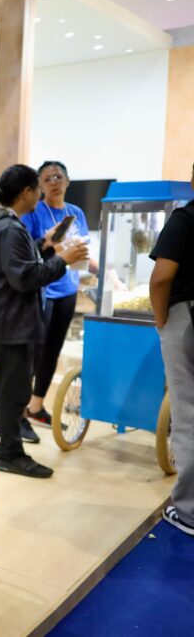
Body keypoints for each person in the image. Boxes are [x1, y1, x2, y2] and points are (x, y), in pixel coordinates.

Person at [0, 165, 88, 478]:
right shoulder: (10, 229)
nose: (42, 192)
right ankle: (10, 454)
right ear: (26, 192)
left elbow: (14, 264)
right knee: (13, 394)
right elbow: (24, 277)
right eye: (39, 186)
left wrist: (44, 245)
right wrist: (63, 259)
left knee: (1, 392)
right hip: (9, 325)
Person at [20, 161, 97, 430]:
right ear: (39, 185)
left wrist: (102, 271)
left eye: (58, 176)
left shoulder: (76, 213)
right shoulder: (34, 212)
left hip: (68, 289)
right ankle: (19, 412)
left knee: (53, 351)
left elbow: (82, 249)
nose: (54, 182)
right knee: (34, 353)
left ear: (67, 181)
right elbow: (27, 251)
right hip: (43, 290)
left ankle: (36, 406)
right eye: (47, 178)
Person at [149, 167, 194, 536]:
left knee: (188, 413)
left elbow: (162, 276)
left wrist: (161, 319)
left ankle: (189, 510)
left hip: (187, 317)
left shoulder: (185, 218)